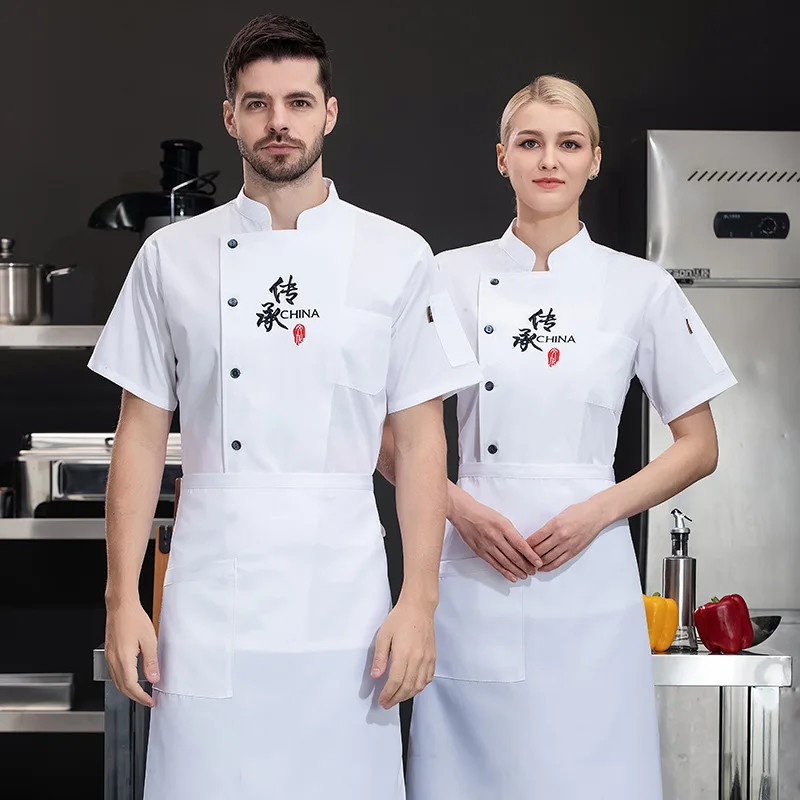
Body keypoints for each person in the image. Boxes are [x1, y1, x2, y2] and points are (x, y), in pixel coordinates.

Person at [89, 14, 482, 800]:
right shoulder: (171, 255)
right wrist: (122, 598)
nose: (280, 123)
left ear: (329, 113)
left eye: (299, 102)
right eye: (258, 103)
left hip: (345, 602)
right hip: (211, 597)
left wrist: (420, 601)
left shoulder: (396, 254)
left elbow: (422, 441)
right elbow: (138, 436)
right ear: (229, 116)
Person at [379, 75, 737, 799]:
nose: (550, 160)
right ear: (502, 158)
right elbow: (391, 442)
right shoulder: (445, 278)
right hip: (473, 572)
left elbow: (700, 444)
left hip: (590, 575)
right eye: (531, 142)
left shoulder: (641, 288)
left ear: (594, 160)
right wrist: (464, 511)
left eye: (568, 144)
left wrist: (599, 510)